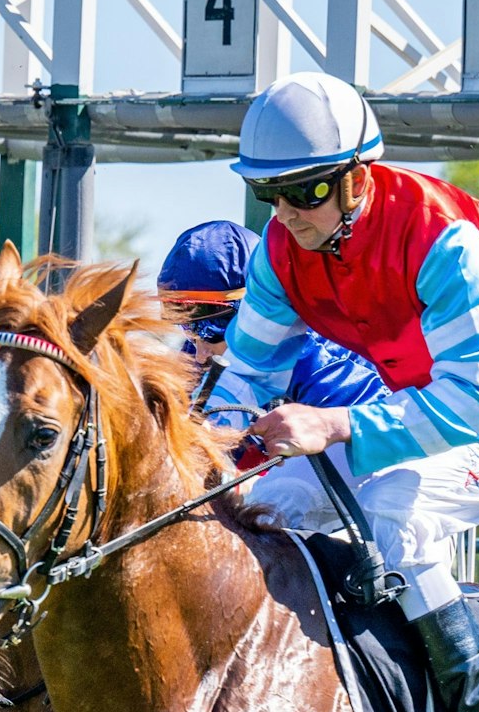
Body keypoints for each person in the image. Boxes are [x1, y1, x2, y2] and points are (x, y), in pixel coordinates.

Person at [223, 72, 479, 712]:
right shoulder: (283, 251)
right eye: (271, 196)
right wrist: (211, 461)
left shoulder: (444, 237)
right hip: (413, 404)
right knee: (262, 502)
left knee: (396, 513)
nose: (286, 215)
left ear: (357, 178)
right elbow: (243, 380)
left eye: (306, 193)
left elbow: (469, 407)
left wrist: (336, 425)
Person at [159, 219, 387, 530]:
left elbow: (366, 433)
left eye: (208, 328)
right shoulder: (196, 354)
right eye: (188, 329)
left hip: (385, 461)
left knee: (274, 501)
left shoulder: (312, 351)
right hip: (306, 479)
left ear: (251, 312)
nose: (197, 350)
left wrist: (254, 481)